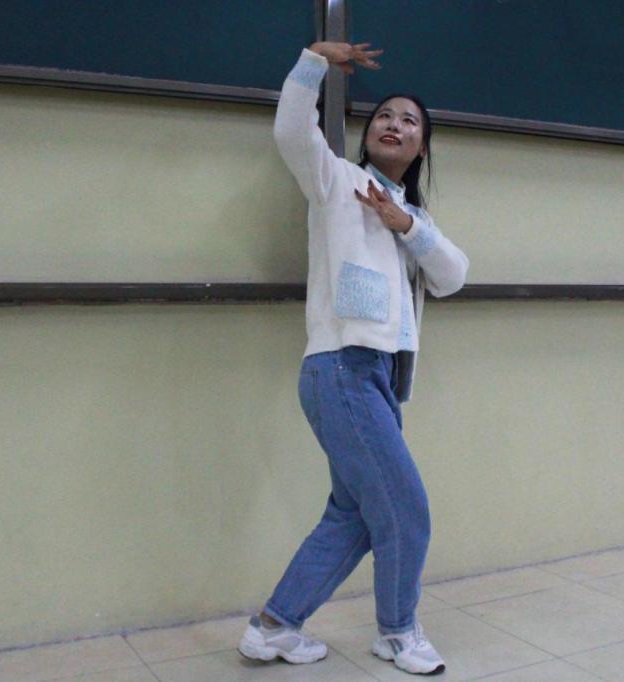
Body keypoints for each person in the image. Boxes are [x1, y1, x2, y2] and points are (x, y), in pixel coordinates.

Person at [237, 41, 469, 676]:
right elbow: (292, 131)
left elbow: (453, 275)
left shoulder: (411, 217)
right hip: (342, 368)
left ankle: (275, 627)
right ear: (369, 136)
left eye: (409, 121)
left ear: (421, 147)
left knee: (355, 515)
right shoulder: (338, 180)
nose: (394, 124)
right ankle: (397, 632)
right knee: (406, 512)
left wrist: (406, 225)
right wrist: (313, 60)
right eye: (384, 116)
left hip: (377, 380)